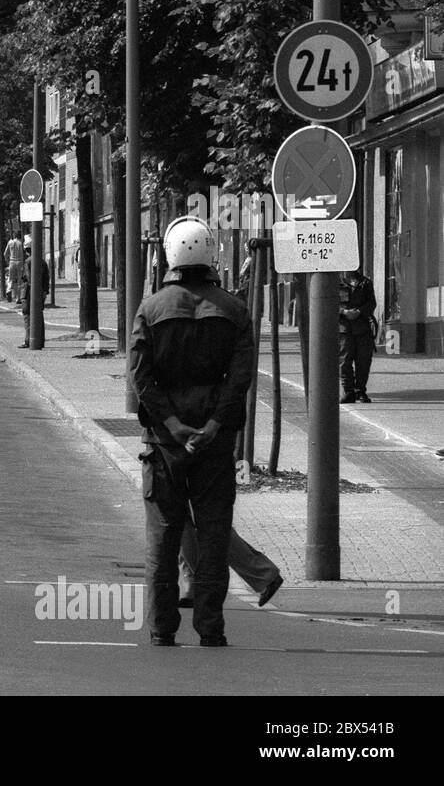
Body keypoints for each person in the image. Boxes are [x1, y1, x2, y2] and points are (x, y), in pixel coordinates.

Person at [129, 215, 254, 648]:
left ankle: (163, 628)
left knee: (163, 539)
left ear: (169, 255)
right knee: (214, 535)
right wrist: (215, 423)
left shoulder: (151, 308)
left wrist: (172, 424)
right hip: (216, 445)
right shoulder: (235, 310)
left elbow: (140, 379)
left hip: (164, 445)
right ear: (211, 254)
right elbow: (240, 379)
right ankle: (211, 628)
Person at [339, 266, 377, 403]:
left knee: (363, 361)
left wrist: (359, 312)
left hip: (362, 329)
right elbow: (329, 303)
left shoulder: (365, 283)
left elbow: (371, 303)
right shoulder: (337, 282)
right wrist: (344, 312)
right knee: (344, 361)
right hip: (344, 329)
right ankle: (348, 391)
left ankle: (360, 390)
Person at [19, 245, 49, 348]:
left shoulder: (28, 261)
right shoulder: (43, 261)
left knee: (27, 315)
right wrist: (44, 291)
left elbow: (27, 277)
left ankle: (28, 340)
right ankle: (40, 340)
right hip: (41, 292)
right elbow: (46, 278)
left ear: (26, 250)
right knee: (39, 315)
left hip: (28, 292)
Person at [5, 235, 26, 303]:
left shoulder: (10, 242)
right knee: (19, 280)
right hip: (19, 262)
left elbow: (5, 253)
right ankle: (18, 298)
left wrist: (8, 261)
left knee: (11, 279)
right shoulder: (21, 243)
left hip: (12, 261)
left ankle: (8, 290)